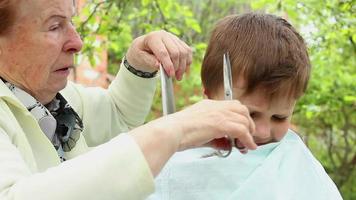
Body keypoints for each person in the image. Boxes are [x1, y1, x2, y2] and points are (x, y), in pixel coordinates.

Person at [0, 1, 259, 200]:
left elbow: (117, 119)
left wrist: (138, 63)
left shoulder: (54, 98)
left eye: (71, 22)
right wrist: (175, 129)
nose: (77, 42)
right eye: (55, 26)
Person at [148, 13, 343, 200]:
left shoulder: (297, 165)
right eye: (250, 113)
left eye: (279, 117)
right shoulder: (172, 160)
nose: (263, 132)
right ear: (209, 98)